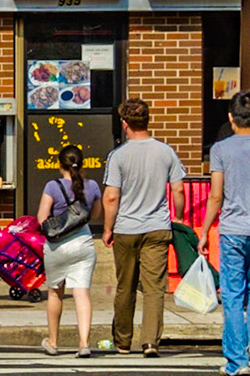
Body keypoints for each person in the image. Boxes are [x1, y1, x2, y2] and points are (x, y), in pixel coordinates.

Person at [102, 96, 187, 357]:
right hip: (157, 226)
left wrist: (107, 228)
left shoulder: (118, 155)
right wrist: (179, 217)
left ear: (124, 123)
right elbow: (178, 190)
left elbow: (111, 197)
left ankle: (123, 341)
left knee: (125, 286)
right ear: (147, 121)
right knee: (154, 288)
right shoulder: (166, 152)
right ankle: (150, 341)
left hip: (126, 228)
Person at [198, 90, 250, 376]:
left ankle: (237, 360)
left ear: (231, 117)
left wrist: (204, 230)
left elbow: (215, 196)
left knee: (232, 295)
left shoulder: (220, 149)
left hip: (233, 229)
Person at [35, 144, 102, 358]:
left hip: (58, 246)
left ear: (59, 164)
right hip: (83, 243)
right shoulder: (92, 186)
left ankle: (53, 342)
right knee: (81, 293)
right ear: (81, 164)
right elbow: (95, 215)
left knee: (55, 293)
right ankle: (84, 344)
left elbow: (41, 218)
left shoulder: (52, 186)